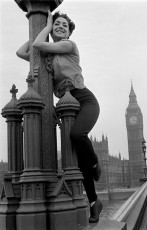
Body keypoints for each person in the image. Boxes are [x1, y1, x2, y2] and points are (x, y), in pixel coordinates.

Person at [16, 10, 103, 223]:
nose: (61, 27)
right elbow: (21, 52)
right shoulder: (49, 58)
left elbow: (37, 45)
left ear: (69, 31)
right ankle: (94, 202)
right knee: (77, 160)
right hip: (66, 106)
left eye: (64, 25)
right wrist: (43, 26)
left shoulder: (69, 46)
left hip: (84, 100)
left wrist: (47, 26)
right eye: (57, 25)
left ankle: (94, 163)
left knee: (77, 135)